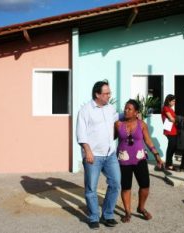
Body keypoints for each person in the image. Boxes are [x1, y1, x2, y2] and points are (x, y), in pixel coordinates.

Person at [76, 80, 121, 229]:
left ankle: (107, 215)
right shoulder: (85, 110)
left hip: (110, 155)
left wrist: (132, 114)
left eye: (109, 93)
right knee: (91, 189)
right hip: (93, 156)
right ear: (97, 94)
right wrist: (87, 151)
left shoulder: (109, 108)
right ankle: (93, 217)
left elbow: (117, 117)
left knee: (115, 183)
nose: (109, 95)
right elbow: (81, 134)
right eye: (106, 93)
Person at [115, 99, 163, 223]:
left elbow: (148, 141)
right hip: (123, 159)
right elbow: (111, 137)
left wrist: (156, 154)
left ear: (136, 112)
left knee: (145, 185)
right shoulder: (118, 124)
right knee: (126, 187)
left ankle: (141, 208)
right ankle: (127, 212)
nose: (126, 110)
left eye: (129, 109)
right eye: (125, 108)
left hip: (139, 159)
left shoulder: (142, 124)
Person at [161, 94, 178, 170]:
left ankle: (169, 163)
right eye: (173, 101)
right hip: (169, 130)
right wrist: (179, 120)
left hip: (174, 130)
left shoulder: (171, 109)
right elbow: (171, 119)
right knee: (171, 147)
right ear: (169, 101)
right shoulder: (166, 108)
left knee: (174, 147)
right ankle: (168, 164)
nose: (174, 102)